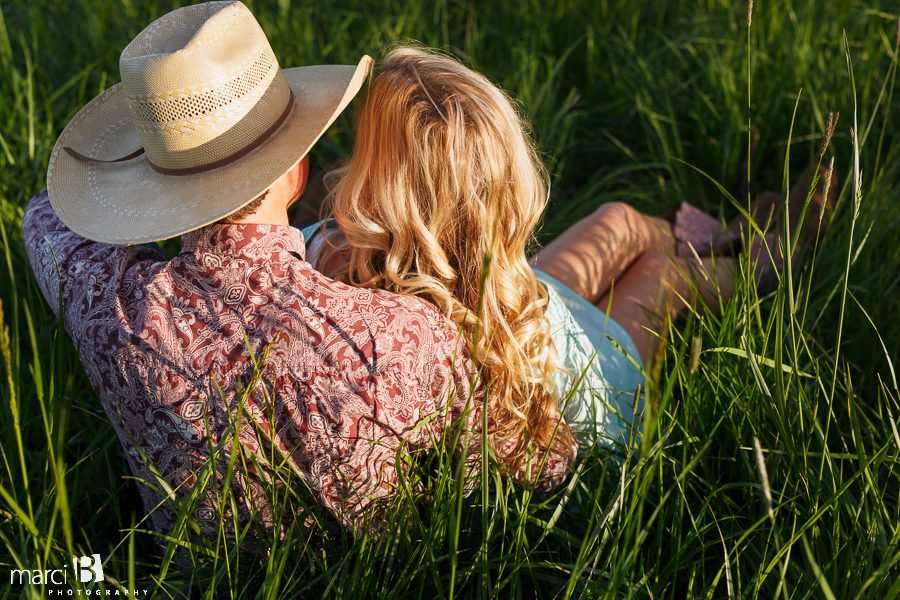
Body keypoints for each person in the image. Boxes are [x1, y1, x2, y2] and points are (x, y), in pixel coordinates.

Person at [22, 2, 573, 552]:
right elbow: (535, 468)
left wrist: (148, 201)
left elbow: (42, 214)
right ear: (298, 169)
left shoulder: (104, 307)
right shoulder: (413, 336)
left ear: (153, 192)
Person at [305, 47, 835, 451]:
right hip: (595, 378)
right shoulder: (432, 333)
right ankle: (769, 261)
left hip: (532, 306)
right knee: (659, 275)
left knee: (618, 219)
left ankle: (729, 232)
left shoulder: (343, 248)